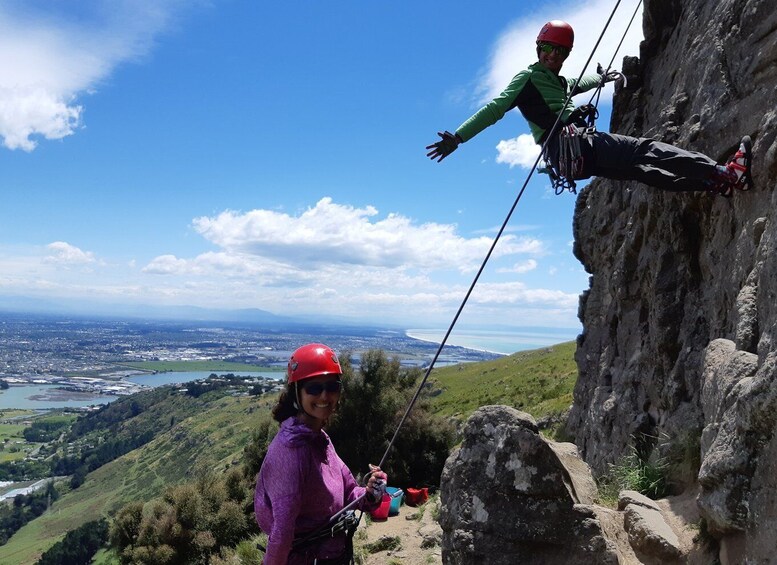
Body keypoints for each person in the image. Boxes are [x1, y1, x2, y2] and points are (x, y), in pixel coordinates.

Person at [427, 20, 752, 197]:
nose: (554, 55)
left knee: (641, 171)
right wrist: (458, 137)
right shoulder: (527, 78)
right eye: (549, 49)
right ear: (539, 48)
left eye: (561, 51)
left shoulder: (556, 82)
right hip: (574, 144)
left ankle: (711, 184)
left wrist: (601, 78)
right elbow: (495, 108)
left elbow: (575, 84)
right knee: (645, 149)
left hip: (571, 161)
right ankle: (723, 172)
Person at [254, 343, 387, 565]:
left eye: (332, 387)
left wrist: (371, 492)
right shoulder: (290, 451)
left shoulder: (320, 439)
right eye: (314, 388)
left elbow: (348, 492)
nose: (325, 395)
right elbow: (282, 531)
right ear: (297, 392)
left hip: (333, 553)